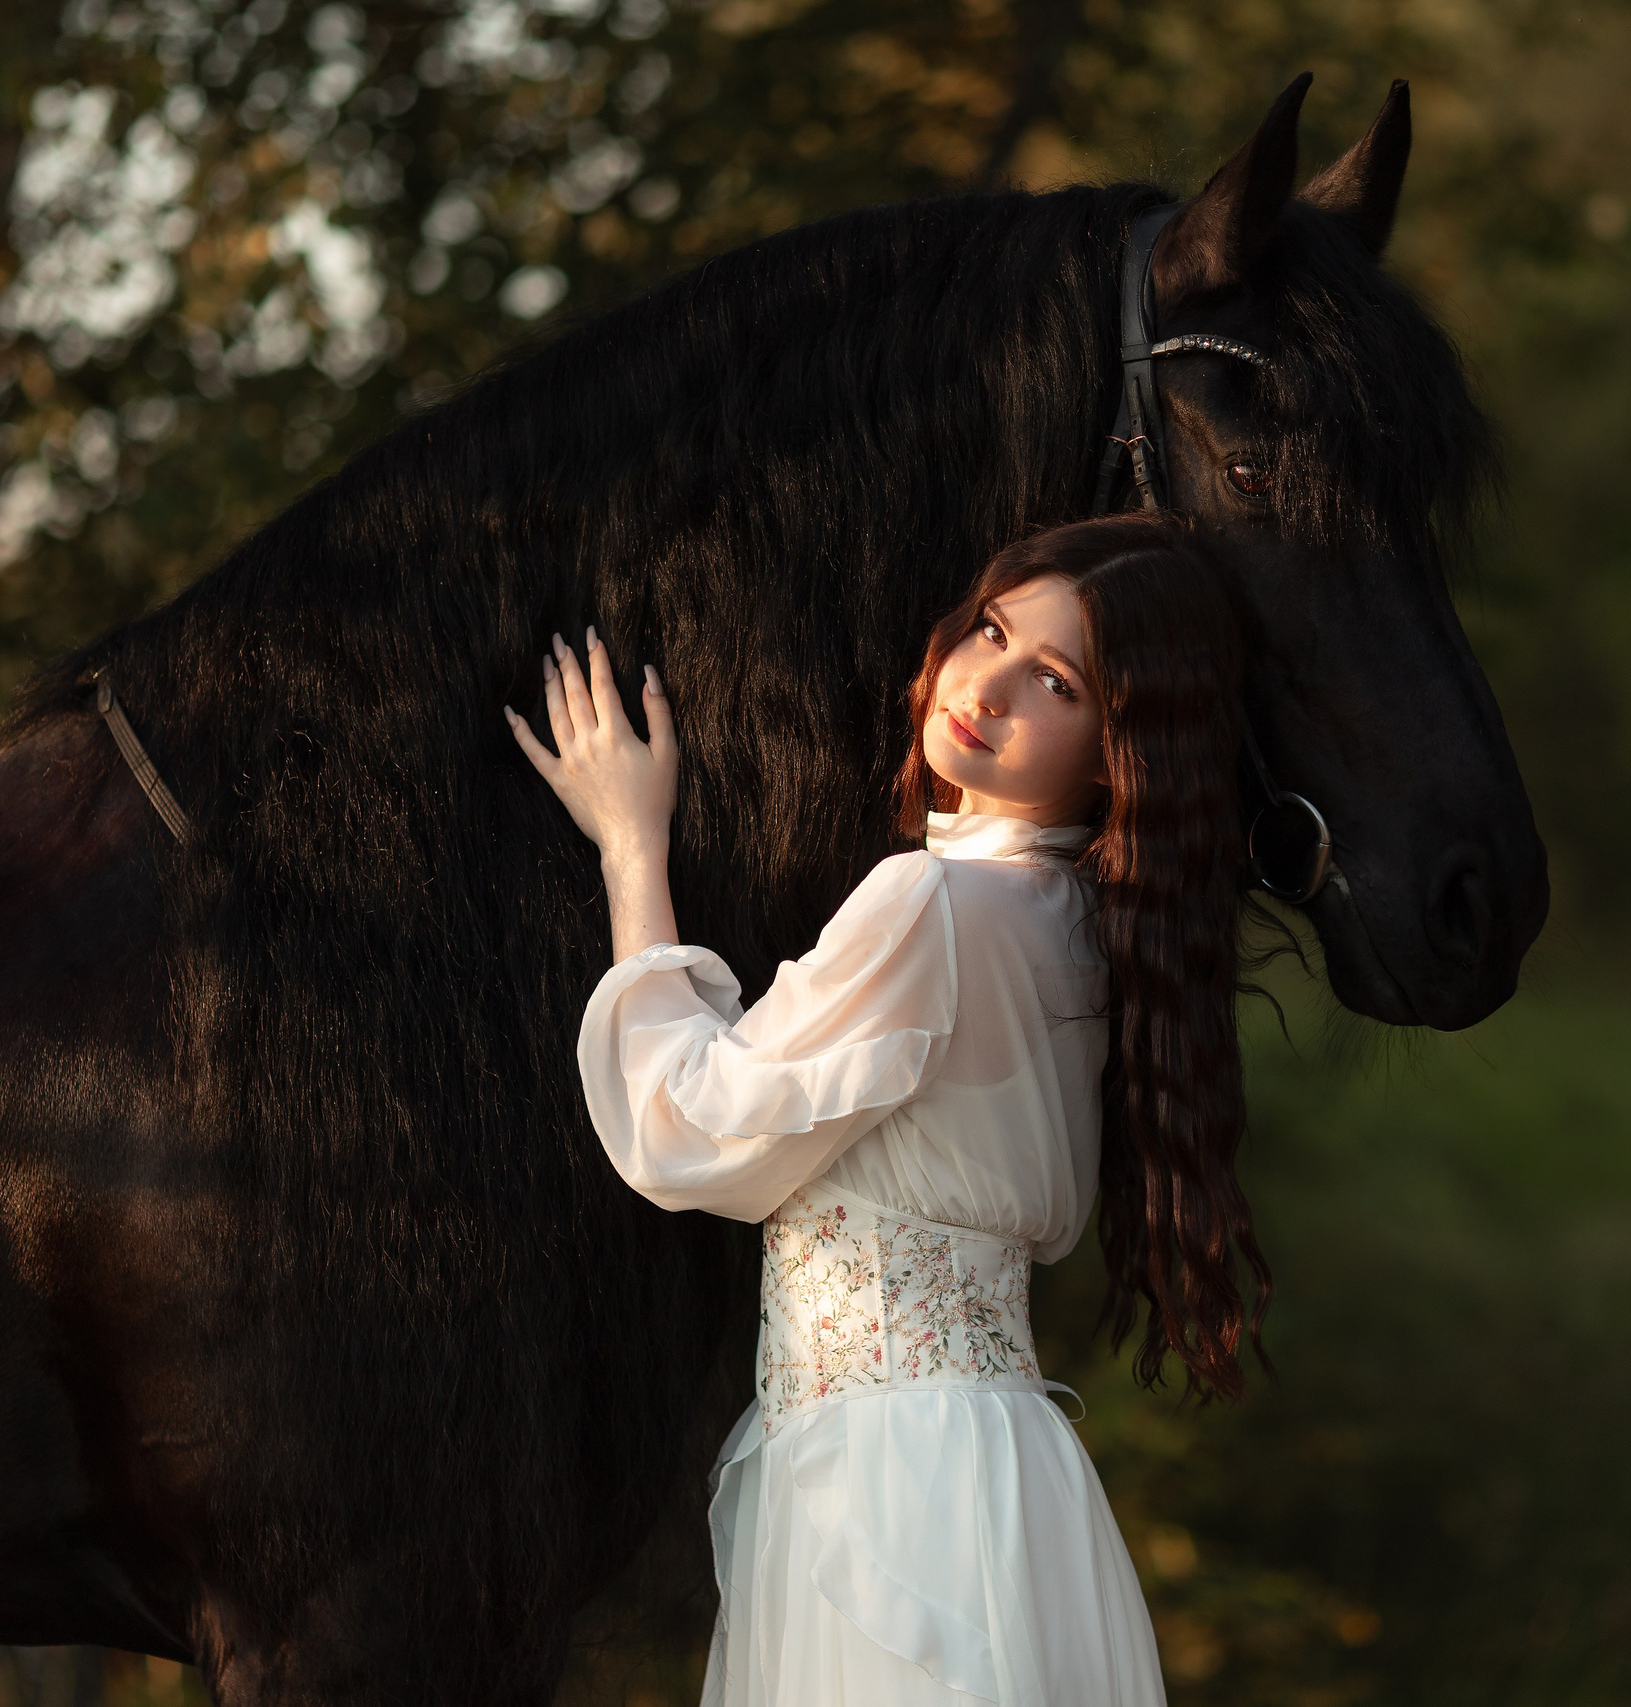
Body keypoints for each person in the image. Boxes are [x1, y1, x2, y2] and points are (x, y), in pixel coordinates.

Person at [505, 512, 1270, 1706]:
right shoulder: (1084, 929)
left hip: (891, 1479)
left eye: (1056, 680)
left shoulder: (931, 903)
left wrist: (628, 844)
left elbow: (691, 1128)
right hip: (1001, 1472)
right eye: (991, 630)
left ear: (1122, 750)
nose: (989, 685)